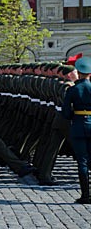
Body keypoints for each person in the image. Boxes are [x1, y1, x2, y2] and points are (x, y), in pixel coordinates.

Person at [62, 56, 91, 204]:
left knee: (82, 161)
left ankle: (86, 195)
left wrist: (75, 115)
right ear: (90, 74)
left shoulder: (73, 89)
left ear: (78, 73)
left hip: (79, 125)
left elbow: (66, 112)